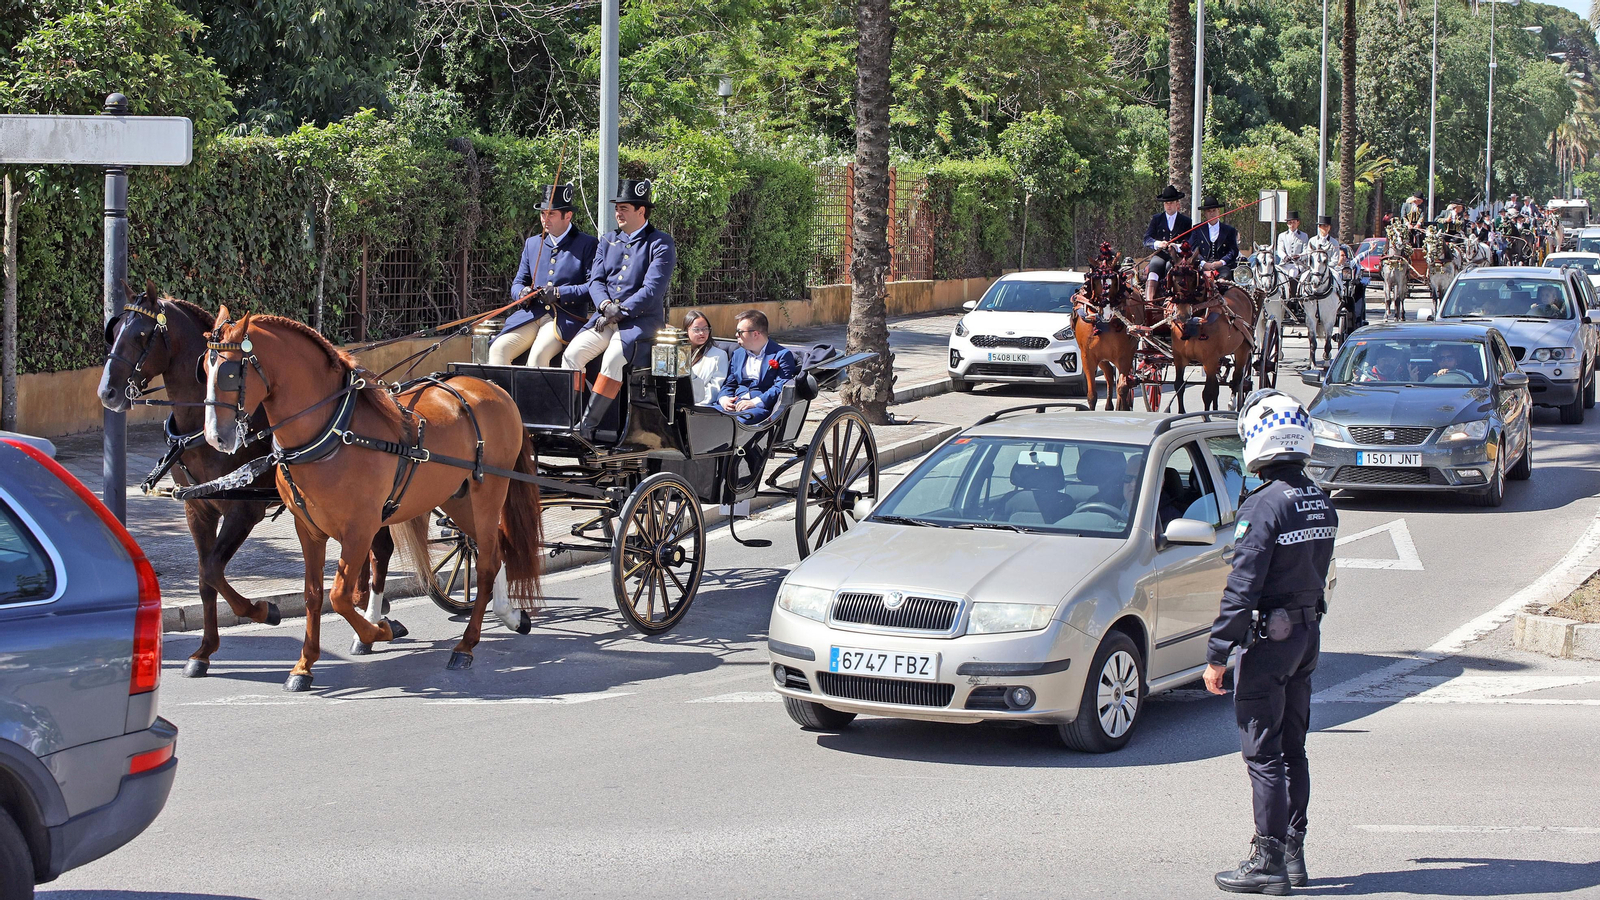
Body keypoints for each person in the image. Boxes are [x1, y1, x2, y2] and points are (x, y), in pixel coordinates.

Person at [1206, 390, 1336, 895]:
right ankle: (1294, 854)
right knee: (1293, 749)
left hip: (1268, 641)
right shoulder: (1319, 499)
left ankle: (1268, 861)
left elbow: (1243, 587)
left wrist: (1218, 654)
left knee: (1263, 755)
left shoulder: (1263, 506)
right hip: (1306, 636)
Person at [562, 179, 677, 441]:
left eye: (624, 208)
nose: (618, 213)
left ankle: (588, 426)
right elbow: (596, 280)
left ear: (641, 211)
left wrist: (621, 310)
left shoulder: (659, 242)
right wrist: (604, 306)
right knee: (572, 355)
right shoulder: (608, 240)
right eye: (617, 208)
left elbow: (652, 289)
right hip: (605, 317)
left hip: (640, 322)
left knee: (613, 358)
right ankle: (571, 419)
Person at [489, 183, 599, 366]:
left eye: (551, 214)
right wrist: (521, 293)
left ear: (568, 215)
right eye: (542, 214)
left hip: (564, 317)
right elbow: (517, 282)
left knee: (538, 356)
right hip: (531, 315)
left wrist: (559, 293)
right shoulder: (532, 244)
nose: (545, 219)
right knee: (498, 349)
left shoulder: (587, 244)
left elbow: (593, 287)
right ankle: (505, 396)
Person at [716, 310, 799, 422]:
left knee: (739, 421)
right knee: (706, 417)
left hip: (759, 407)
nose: (736, 335)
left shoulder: (782, 355)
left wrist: (754, 402)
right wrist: (724, 399)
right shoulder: (738, 354)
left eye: (740, 332)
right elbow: (729, 383)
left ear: (755, 334)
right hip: (735, 403)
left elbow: (780, 386)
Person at [1144, 185, 1193, 307]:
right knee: (1154, 266)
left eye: (1171, 203)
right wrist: (1158, 244)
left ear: (1177, 204)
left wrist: (1177, 246)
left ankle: (1170, 300)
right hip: (1160, 254)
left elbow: (1190, 240)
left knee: (1169, 268)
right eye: (1166, 203)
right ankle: (1149, 301)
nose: (1168, 206)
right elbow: (1147, 239)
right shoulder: (1157, 219)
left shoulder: (1186, 221)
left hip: (1177, 257)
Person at [683, 310, 729, 405]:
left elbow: (715, 388)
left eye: (705, 329)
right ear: (686, 331)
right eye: (696, 329)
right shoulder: (681, 353)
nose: (702, 333)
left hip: (700, 405)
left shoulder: (719, 355)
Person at [1194, 196, 1240, 274]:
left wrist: (1221, 262)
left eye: (1214, 210)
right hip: (1202, 267)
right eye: (1209, 211)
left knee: (1225, 277)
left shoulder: (1230, 230)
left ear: (1218, 211)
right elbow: (1193, 249)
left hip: (1223, 267)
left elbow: (1233, 251)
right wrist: (1203, 263)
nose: (1212, 214)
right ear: (1205, 213)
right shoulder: (1197, 229)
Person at [1307, 215, 1344, 295]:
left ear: (1329, 227)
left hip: (1329, 268)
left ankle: (1341, 295)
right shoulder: (1312, 241)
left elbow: (1335, 260)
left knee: (1337, 277)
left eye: (1327, 226)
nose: (1325, 228)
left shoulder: (1334, 242)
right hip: (1314, 269)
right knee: (1303, 278)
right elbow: (1308, 256)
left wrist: (1325, 267)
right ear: (1319, 227)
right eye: (1323, 226)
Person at [1274, 211, 1310, 285]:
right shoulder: (1282, 236)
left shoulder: (1304, 236)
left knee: (1293, 273)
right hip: (1284, 263)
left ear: (1298, 223)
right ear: (1287, 224)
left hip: (1297, 264)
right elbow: (1280, 249)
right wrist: (1285, 257)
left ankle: (1292, 294)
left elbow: (1306, 251)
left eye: (1293, 222)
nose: (1292, 225)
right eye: (1290, 222)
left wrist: (1299, 257)